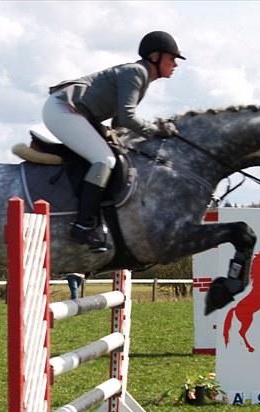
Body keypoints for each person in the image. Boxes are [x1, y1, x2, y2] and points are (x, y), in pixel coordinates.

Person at [42, 31, 185, 252]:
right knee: (104, 159)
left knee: (115, 156)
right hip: (63, 109)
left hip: (75, 112)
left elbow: (120, 122)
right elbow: (128, 117)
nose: (175, 64)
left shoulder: (141, 78)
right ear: (155, 56)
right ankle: (83, 225)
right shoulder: (136, 72)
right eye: (171, 58)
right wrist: (156, 130)